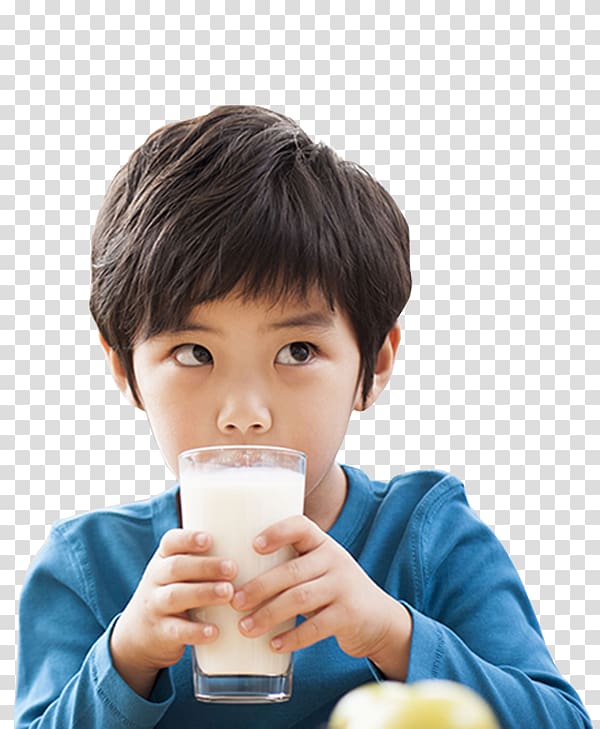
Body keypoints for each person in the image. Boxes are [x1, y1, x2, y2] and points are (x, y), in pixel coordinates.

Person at [16, 105, 591, 729]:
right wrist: (125, 659)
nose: (244, 414)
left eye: (297, 352)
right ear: (125, 369)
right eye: (193, 353)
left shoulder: (426, 537)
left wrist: (391, 633)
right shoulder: (88, 567)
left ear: (373, 365)